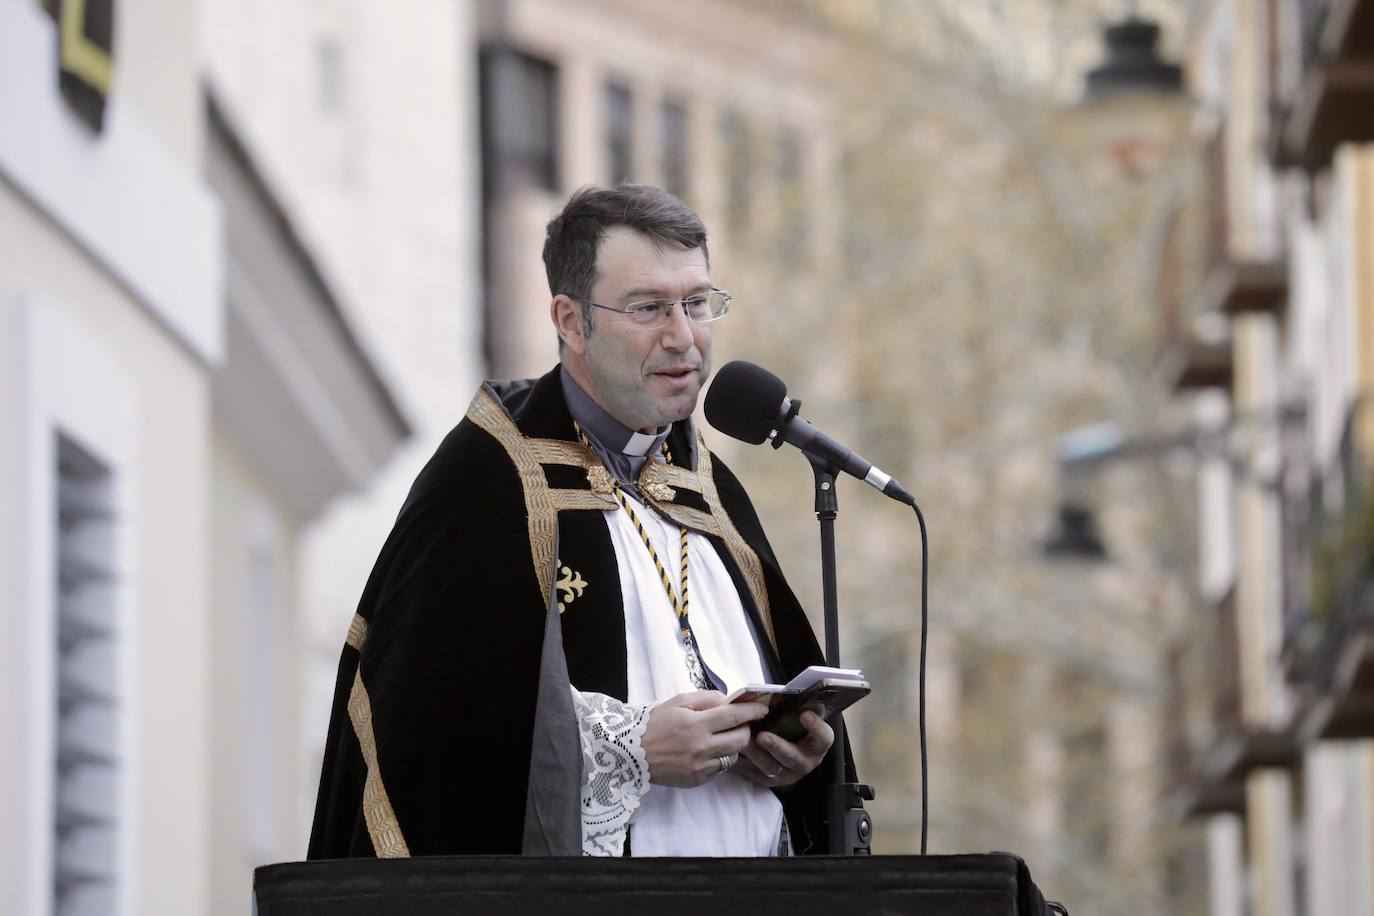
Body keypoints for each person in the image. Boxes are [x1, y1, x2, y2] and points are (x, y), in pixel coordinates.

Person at [308, 184, 855, 859]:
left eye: (696, 303)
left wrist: (799, 760)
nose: (684, 337)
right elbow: (427, 736)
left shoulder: (713, 491)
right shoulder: (489, 480)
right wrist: (631, 751)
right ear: (570, 321)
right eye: (648, 307)